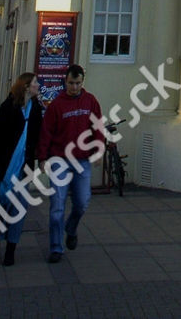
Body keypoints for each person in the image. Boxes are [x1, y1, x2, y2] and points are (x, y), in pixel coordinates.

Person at [37, 64, 104, 263]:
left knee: (82, 202)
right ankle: (56, 247)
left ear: (82, 82)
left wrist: (99, 149)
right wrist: (42, 157)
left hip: (82, 160)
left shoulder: (90, 101)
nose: (74, 87)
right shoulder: (57, 105)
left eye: (77, 83)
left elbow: (97, 127)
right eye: (71, 83)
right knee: (57, 205)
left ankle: (71, 227)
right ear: (65, 82)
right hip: (60, 160)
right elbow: (46, 132)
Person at [0, 73, 43, 265]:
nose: (38, 86)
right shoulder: (8, 107)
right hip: (1, 167)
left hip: (23, 169)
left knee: (18, 210)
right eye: (34, 84)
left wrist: (41, 158)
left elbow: (38, 136)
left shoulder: (36, 109)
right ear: (25, 87)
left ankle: (11, 250)